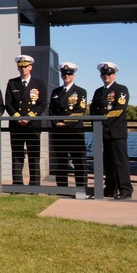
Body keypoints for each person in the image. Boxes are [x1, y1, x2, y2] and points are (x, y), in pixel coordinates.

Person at [90, 62, 133, 200]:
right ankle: (110, 188)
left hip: (115, 131)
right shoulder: (98, 92)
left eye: (109, 73)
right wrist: (95, 125)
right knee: (107, 161)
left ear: (114, 75)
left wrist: (102, 123)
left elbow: (118, 110)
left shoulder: (121, 89)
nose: (106, 76)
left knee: (120, 162)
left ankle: (125, 190)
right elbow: (93, 110)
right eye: (103, 73)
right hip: (102, 131)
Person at [5, 54, 47, 186]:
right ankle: (17, 184)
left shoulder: (39, 83)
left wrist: (29, 117)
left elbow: (42, 103)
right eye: (21, 66)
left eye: (26, 66)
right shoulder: (12, 83)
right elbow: (8, 103)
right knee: (17, 155)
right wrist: (18, 118)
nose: (23, 69)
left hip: (33, 124)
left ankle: (34, 184)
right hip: (16, 125)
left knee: (34, 155)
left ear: (31, 67)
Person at [49, 62, 88, 193]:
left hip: (74, 130)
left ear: (74, 75)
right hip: (58, 131)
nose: (66, 76)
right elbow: (51, 110)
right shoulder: (56, 91)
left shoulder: (81, 92)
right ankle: (62, 188)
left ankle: (81, 188)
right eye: (64, 74)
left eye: (69, 73)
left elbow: (80, 111)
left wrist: (64, 122)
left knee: (79, 161)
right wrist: (56, 123)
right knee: (61, 160)